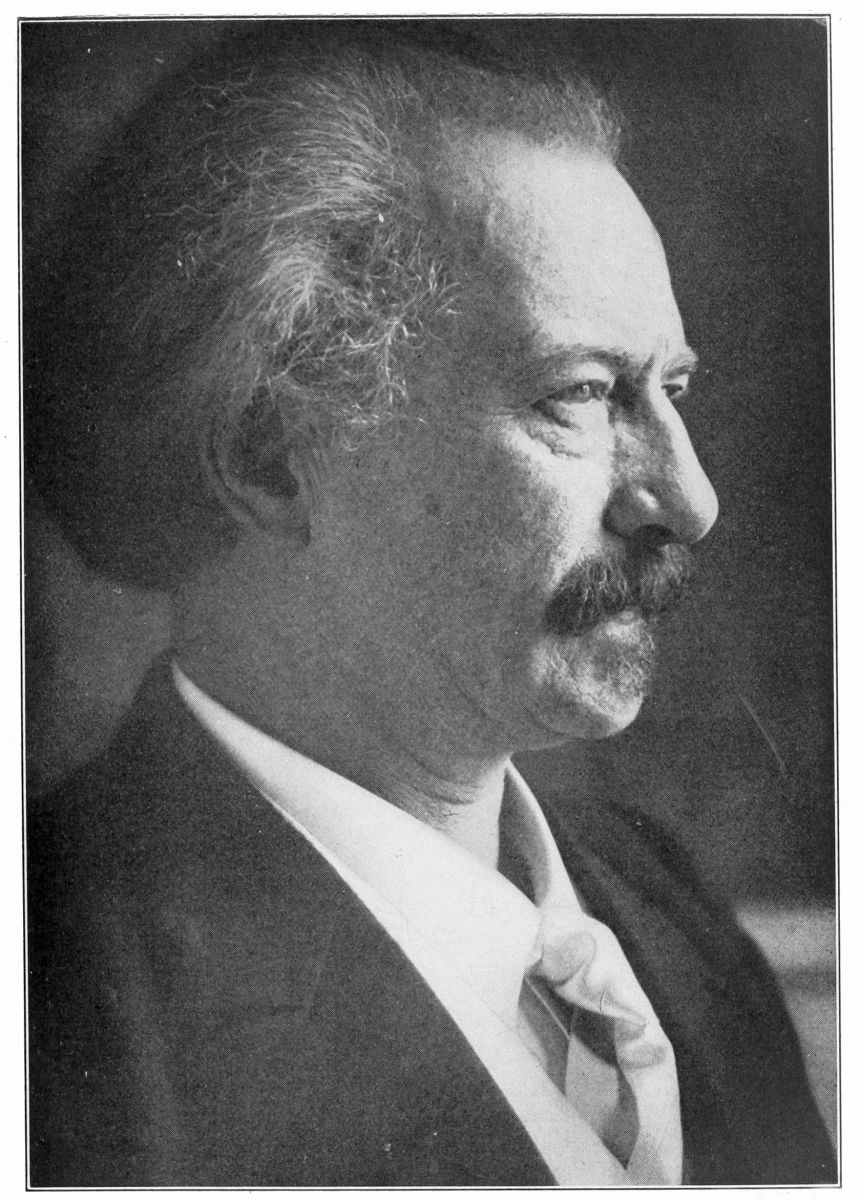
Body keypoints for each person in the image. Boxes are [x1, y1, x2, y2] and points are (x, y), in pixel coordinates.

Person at [25, 26, 835, 1187]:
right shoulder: (60, 997)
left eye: (674, 388)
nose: (687, 501)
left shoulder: (665, 916)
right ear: (269, 458)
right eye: (580, 394)